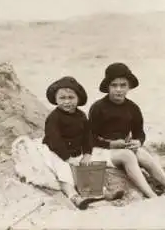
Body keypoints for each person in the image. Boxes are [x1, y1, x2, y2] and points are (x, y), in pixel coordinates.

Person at [89, 63, 165, 198]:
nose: (119, 90)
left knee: (142, 154)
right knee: (128, 156)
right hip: (101, 151)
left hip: (122, 149)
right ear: (108, 87)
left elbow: (139, 132)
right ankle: (151, 194)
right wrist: (111, 144)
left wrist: (138, 141)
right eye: (114, 85)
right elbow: (89, 138)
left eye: (123, 85)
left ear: (129, 86)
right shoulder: (98, 108)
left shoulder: (132, 108)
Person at [40, 76, 124, 210]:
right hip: (55, 151)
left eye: (71, 98)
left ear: (78, 99)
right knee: (63, 171)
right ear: (55, 100)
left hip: (75, 150)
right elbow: (54, 140)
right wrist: (67, 158)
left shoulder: (81, 116)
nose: (67, 102)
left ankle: (101, 192)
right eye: (62, 98)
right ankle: (74, 197)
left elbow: (87, 136)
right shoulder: (54, 118)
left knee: (87, 166)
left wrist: (87, 153)